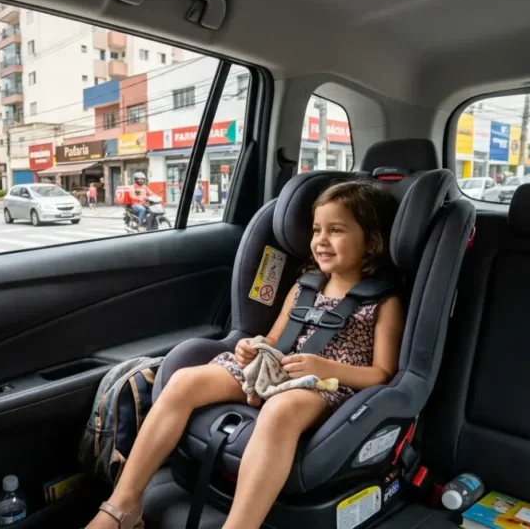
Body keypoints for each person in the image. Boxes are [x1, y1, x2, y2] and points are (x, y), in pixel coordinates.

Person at [85, 180, 405, 529]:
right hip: (277, 368)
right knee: (184, 381)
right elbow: (275, 337)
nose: (321, 240)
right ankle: (123, 505)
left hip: (327, 385)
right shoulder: (304, 286)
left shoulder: (383, 301)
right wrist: (253, 348)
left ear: (371, 241)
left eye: (337, 230)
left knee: (282, 409)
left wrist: (324, 367)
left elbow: (383, 374)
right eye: (316, 230)